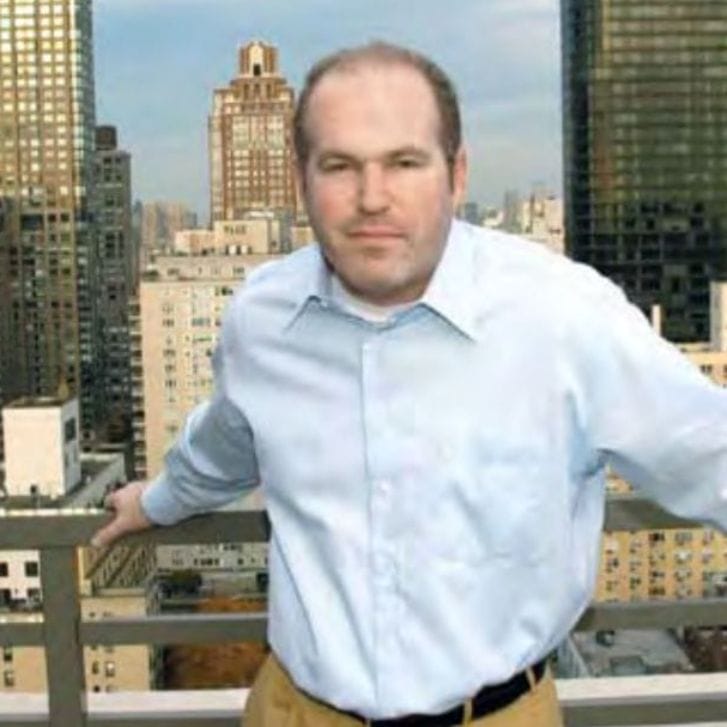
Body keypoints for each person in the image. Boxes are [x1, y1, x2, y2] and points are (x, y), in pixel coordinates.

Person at [92, 42, 727, 727]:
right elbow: (228, 436)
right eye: (339, 166)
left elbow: (709, 454)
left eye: (403, 161)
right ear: (301, 180)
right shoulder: (262, 316)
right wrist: (158, 499)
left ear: (455, 175)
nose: (372, 197)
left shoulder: (564, 317)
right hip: (294, 710)